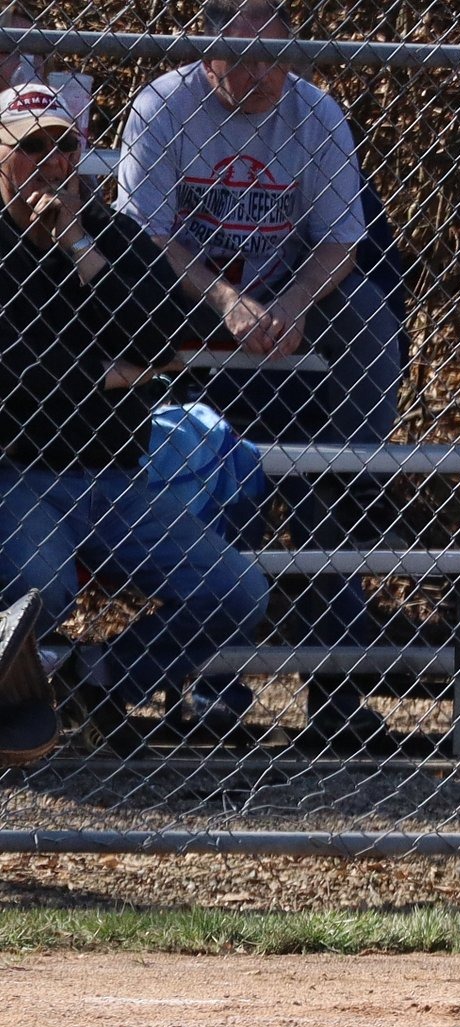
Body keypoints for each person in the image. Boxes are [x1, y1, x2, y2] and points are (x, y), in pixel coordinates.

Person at [113, 0, 404, 741]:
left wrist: (300, 299)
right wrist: (226, 302)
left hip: (288, 306)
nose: (261, 75)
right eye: (239, 58)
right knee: (230, 467)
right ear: (204, 52)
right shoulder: (161, 107)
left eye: (276, 56)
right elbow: (142, 238)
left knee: (364, 320)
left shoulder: (317, 112)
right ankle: (214, 688)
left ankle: (351, 471)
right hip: (188, 306)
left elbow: (343, 240)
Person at [0, 82, 268, 752]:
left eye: (66, 145)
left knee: (238, 590)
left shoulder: (112, 236)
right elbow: (14, 378)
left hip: (117, 476)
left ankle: (99, 682)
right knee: (43, 588)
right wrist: (106, 372)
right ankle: (15, 714)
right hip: (20, 472)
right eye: (32, 146)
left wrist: (79, 250)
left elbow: (162, 338)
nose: (54, 161)